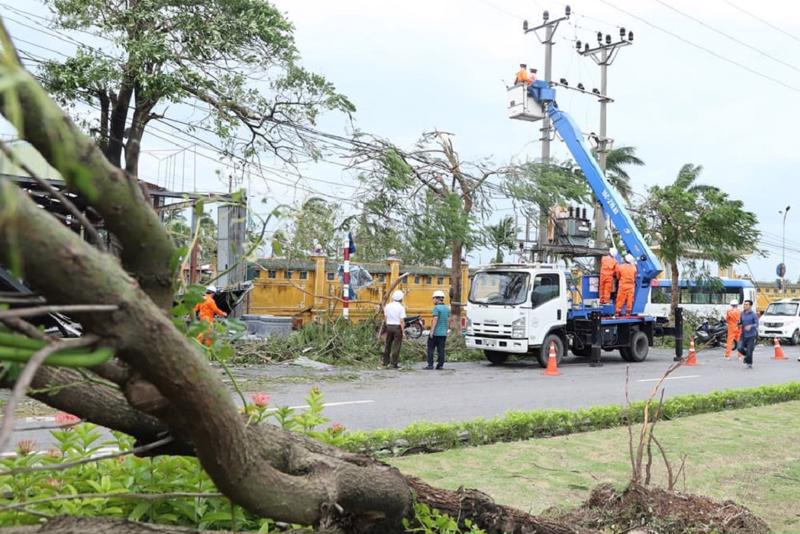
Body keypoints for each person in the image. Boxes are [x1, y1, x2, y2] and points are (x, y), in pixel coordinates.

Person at [426, 290, 451, 370]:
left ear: (437, 299)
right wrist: (447, 330)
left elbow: (435, 319)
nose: (433, 300)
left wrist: (431, 331)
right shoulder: (447, 309)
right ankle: (440, 365)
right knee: (441, 350)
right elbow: (448, 320)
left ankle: (430, 365)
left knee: (430, 349)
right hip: (443, 334)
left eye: (433, 299)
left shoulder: (436, 308)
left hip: (435, 333)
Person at [382, 290, 406, 369]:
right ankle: (393, 363)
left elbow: (385, 318)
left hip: (389, 326)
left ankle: (385, 362)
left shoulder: (387, 306)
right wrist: (403, 331)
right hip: (397, 328)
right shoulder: (401, 307)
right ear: (401, 299)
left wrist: (386, 327)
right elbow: (402, 321)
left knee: (387, 344)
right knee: (396, 345)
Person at [738, 299, 758, 369]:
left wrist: (751, 326)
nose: (744, 306)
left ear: (750, 306)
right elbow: (740, 322)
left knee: (749, 351)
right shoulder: (742, 313)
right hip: (743, 335)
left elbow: (757, 324)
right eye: (744, 304)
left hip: (751, 335)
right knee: (739, 348)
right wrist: (739, 324)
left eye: (746, 304)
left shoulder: (753, 315)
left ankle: (749, 363)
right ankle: (747, 356)